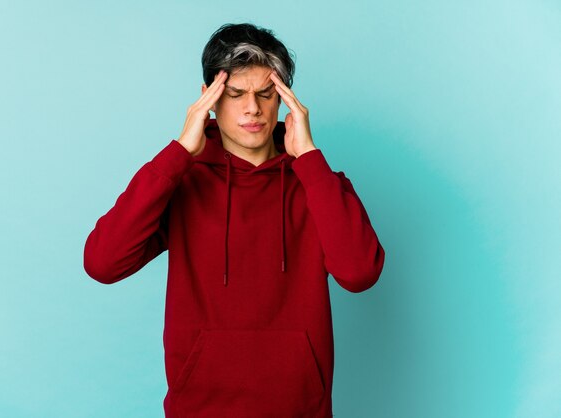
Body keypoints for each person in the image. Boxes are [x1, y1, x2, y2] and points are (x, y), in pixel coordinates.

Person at [83, 22, 386, 418]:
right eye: (235, 94)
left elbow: (359, 273)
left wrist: (309, 158)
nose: (252, 109)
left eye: (265, 94)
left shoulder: (318, 184)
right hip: (199, 408)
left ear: (283, 101)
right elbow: (103, 263)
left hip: (299, 408)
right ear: (209, 99)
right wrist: (177, 154)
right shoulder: (181, 182)